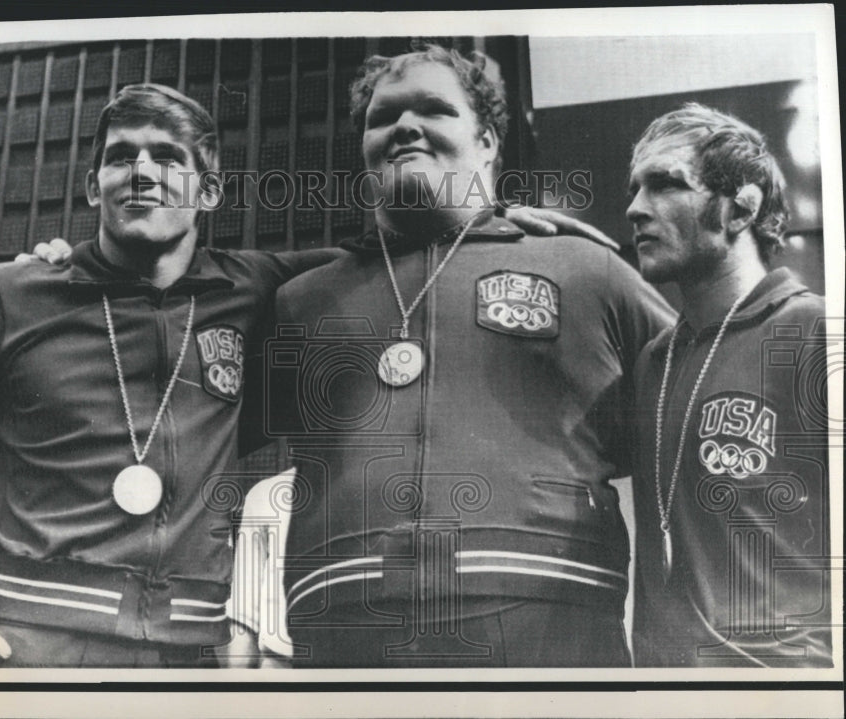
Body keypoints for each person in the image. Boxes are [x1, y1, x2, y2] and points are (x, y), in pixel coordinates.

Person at [267, 45, 674, 667]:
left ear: (487, 141)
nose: (405, 127)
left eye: (434, 109)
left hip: (547, 621)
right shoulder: (300, 300)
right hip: (344, 629)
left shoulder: (587, 269)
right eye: (384, 118)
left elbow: (704, 412)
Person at [0, 84, 343, 667]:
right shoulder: (10, 291)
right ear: (92, 185)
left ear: (210, 190)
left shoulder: (253, 288)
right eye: (121, 156)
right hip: (31, 635)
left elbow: (389, 256)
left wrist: (498, 222)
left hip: (188, 651)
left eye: (168, 157)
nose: (141, 172)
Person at [626, 103, 832, 667]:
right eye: (635, 188)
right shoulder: (655, 360)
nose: (635, 208)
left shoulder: (816, 331)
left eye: (666, 185)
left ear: (741, 209)